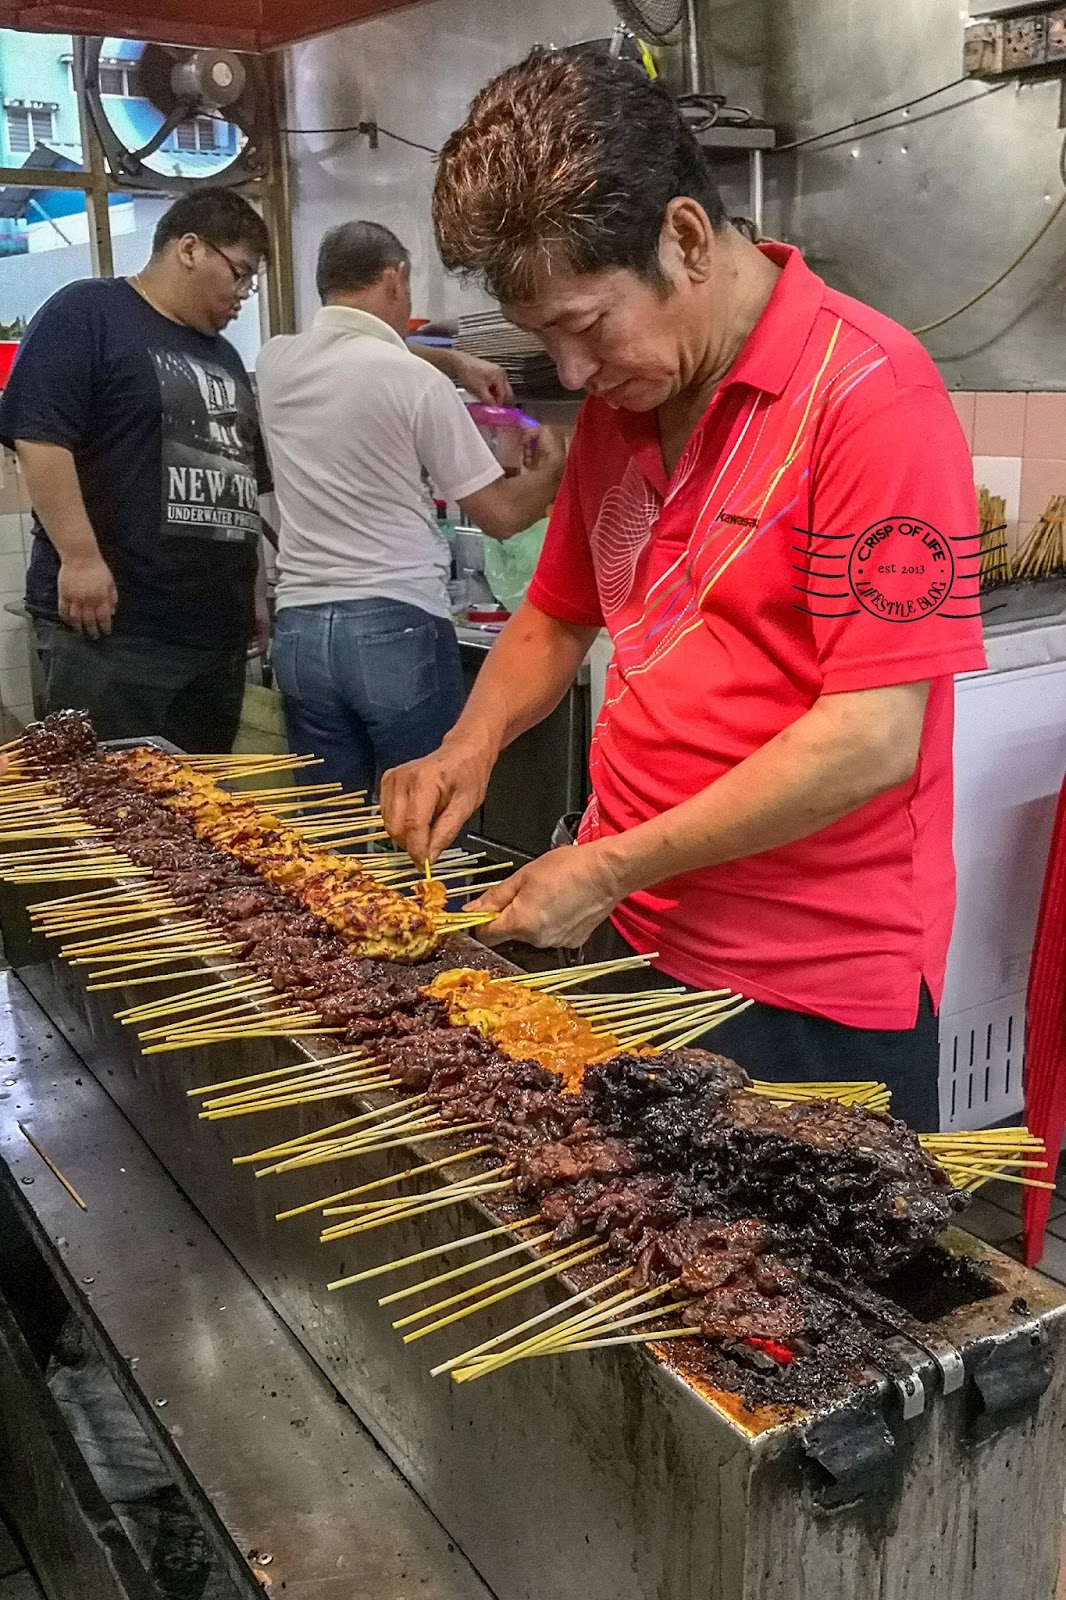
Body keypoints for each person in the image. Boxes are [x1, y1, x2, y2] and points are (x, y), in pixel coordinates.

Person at [380, 48, 989, 1131]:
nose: (569, 375)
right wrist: (467, 745)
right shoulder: (624, 404)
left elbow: (871, 734)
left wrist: (607, 865)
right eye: (542, 340)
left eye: (585, 324)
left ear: (686, 238)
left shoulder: (869, 397)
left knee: (789, 1295)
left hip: (806, 988)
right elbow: (561, 610)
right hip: (629, 940)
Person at [255, 220, 565, 796]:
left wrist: (456, 362)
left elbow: (352, 346)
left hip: (299, 633)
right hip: (392, 628)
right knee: (425, 825)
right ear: (394, 278)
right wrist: (555, 468)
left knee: (327, 843)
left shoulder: (276, 362)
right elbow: (499, 515)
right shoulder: (411, 380)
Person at [0, 190, 271, 754]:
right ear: (191, 249)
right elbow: (40, 435)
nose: (244, 293)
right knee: (108, 812)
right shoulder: (88, 313)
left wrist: (254, 591)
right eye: (240, 273)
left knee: (200, 819)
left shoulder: (222, 356)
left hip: (212, 639)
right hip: (117, 634)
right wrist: (79, 556)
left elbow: (243, 478)